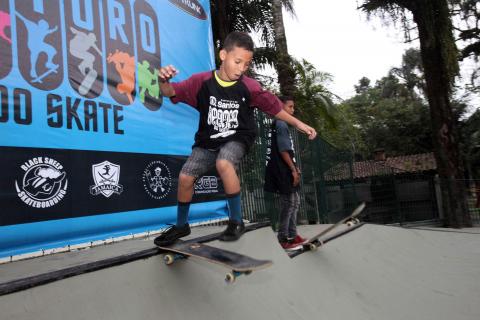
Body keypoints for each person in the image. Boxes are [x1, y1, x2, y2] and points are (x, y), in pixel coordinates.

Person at [154, 32, 316, 246]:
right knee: (185, 177)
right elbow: (170, 91)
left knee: (224, 162)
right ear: (223, 55)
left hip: (238, 137)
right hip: (207, 142)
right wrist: (161, 80)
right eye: (237, 61)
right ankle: (181, 226)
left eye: (246, 65)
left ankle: (236, 221)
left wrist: (299, 124)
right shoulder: (200, 82)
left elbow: (275, 108)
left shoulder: (249, 87)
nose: (241, 69)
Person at [264, 96, 307, 250]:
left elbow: (286, 150)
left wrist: (294, 165)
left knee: (294, 202)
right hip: (282, 171)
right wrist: (293, 169)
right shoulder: (281, 124)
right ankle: (283, 238)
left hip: (284, 168)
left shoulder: (279, 124)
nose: (292, 110)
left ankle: (293, 235)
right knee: (289, 203)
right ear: (281, 107)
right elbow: (283, 151)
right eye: (290, 106)